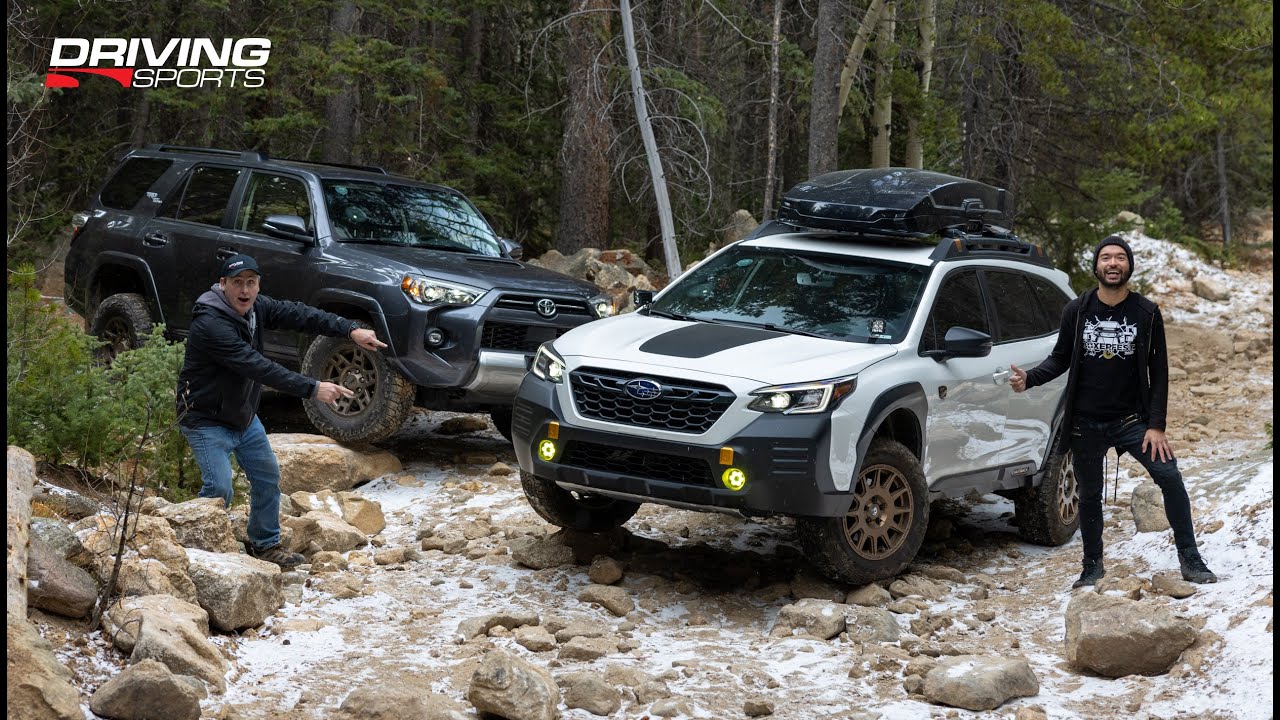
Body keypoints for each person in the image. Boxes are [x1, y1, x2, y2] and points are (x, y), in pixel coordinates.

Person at [1010, 235, 1217, 588]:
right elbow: (1060, 359)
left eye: (1120, 257)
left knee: (1169, 476)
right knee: (1089, 495)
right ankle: (1092, 566)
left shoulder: (1146, 312)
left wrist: (1156, 425)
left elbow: (1159, 371)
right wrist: (1029, 379)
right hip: (1084, 422)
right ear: (1096, 266)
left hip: (1132, 421)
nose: (1113, 263)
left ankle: (1191, 559)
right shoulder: (1077, 310)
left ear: (1129, 266)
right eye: (1106, 257)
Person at [176, 254, 387, 568]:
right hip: (205, 419)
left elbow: (302, 315)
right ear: (223, 285)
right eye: (237, 283)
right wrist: (313, 388)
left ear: (258, 285)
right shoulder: (210, 324)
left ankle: (265, 545)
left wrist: (350, 329)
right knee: (219, 488)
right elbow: (258, 367)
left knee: (267, 477)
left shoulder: (257, 308)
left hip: (242, 415)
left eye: (251, 282)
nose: (244, 290)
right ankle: (200, 555)